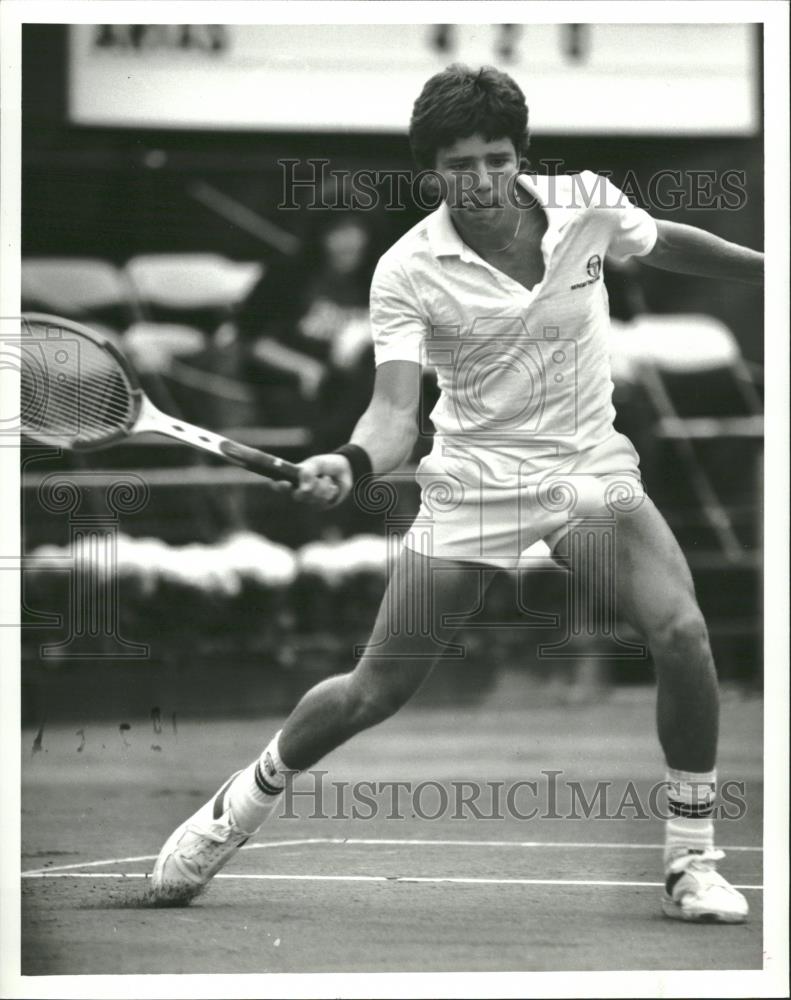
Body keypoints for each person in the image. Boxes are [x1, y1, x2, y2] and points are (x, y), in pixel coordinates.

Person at [151, 65, 763, 922]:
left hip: (587, 470)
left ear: (519, 156)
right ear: (430, 168)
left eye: (495, 159)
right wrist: (355, 464)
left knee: (683, 632)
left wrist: (769, 272)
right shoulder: (404, 270)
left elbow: (661, 240)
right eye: (457, 164)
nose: (478, 182)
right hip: (475, 481)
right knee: (375, 690)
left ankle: (689, 860)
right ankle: (240, 804)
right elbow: (396, 413)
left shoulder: (583, 200)